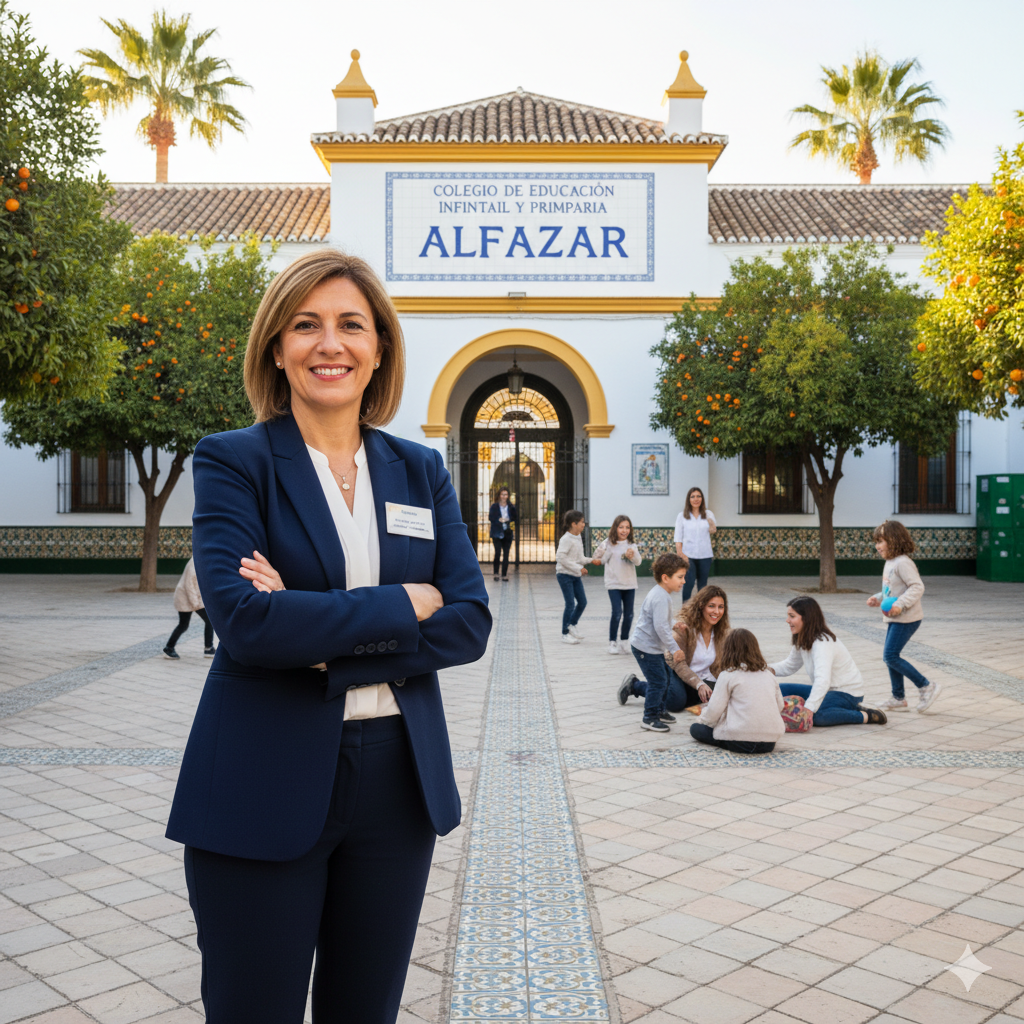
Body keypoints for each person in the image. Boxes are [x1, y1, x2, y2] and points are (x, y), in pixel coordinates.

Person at [165, 250, 491, 1024]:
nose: (329, 344)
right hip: (260, 776)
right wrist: (404, 602)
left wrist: (312, 629)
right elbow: (246, 625)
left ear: (379, 346)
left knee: (365, 1012)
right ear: (276, 347)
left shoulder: (420, 470)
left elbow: (469, 621)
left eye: (351, 324)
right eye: (305, 325)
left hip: (397, 784)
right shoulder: (233, 462)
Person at [770, 596, 887, 727]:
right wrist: (764, 669)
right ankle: (829, 707)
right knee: (779, 690)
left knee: (817, 716)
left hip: (847, 694)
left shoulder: (822, 642)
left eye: (792, 616)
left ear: (806, 618)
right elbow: (790, 665)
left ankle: (866, 715)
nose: (787, 620)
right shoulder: (802, 637)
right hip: (826, 691)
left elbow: (823, 680)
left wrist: (809, 709)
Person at [618, 583, 729, 712]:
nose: (717, 611)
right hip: (676, 670)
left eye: (721, 607)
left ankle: (684, 693)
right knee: (675, 703)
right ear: (701, 606)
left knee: (713, 696)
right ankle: (635, 686)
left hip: (703, 678)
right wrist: (698, 684)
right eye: (711, 606)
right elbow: (678, 664)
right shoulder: (683, 629)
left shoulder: (723, 634)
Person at [867, 520, 940, 713]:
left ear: (894, 540)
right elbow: (891, 589)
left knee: (890, 655)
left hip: (907, 618)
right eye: (876, 541)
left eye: (881, 541)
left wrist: (900, 604)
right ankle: (898, 697)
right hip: (895, 617)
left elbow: (917, 587)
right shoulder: (890, 563)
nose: (877, 546)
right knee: (891, 656)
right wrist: (878, 597)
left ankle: (926, 686)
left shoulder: (903, 563)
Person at [690, 629, 784, 753]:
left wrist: (702, 720)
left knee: (696, 729)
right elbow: (780, 706)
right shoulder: (769, 674)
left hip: (739, 740)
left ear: (728, 650)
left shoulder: (728, 675)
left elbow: (714, 712)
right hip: (769, 742)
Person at [626, 552, 689, 732]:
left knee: (665, 678)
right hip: (646, 648)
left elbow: (661, 621)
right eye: (680, 577)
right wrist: (675, 649)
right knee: (658, 682)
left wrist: (674, 624)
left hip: (652, 647)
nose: (683, 581)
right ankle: (650, 717)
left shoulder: (662, 594)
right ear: (665, 577)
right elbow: (660, 628)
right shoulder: (661, 597)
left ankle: (660, 711)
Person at [591, 515, 642, 655]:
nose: (624, 530)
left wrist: (632, 556)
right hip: (613, 583)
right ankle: (612, 642)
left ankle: (624, 641)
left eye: (627, 527)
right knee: (617, 613)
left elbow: (638, 562)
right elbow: (598, 558)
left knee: (629, 614)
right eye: (621, 527)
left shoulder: (631, 545)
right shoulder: (608, 543)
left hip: (629, 584)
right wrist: (603, 552)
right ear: (615, 528)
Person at [163, 556, 216, 659]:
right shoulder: (195, 563)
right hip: (186, 599)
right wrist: (196, 604)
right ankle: (208, 648)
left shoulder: (200, 560)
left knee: (184, 625)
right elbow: (189, 585)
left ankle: (169, 647)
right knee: (206, 621)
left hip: (190, 599)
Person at [674, 486, 716, 600]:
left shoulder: (708, 514)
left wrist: (711, 522)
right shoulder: (682, 516)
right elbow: (678, 537)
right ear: (689, 499)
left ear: (702, 499)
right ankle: (685, 610)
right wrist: (680, 554)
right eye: (693, 497)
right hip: (688, 555)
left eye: (698, 496)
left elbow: (713, 530)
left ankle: (701, 611)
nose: (696, 499)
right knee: (689, 582)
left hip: (705, 555)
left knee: (703, 586)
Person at [555, 509, 589, 644]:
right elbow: (560, 558)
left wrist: (591, 560)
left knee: (582, 602)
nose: (583, 524)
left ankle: (572, 625)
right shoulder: (566, 539)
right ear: (573, 524)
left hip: (575, 575)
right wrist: (579, 568)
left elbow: (579, 557)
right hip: (564, 575)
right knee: (570, 604)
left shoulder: (578, 536)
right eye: (581, 522)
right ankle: (565, 633)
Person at [488, 486, 517, 581]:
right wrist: (498, 520)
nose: (504, 496)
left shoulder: (511, 507)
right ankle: (496, 573)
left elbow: (515, 518)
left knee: (506, 554)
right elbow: (491, 517)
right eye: (502, 494)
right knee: (497, 553)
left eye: (506, 494)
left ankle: (504, 574)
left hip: (507, 532)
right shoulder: (494, 506)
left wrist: (508, 520)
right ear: (499, 495)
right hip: (497, 532)